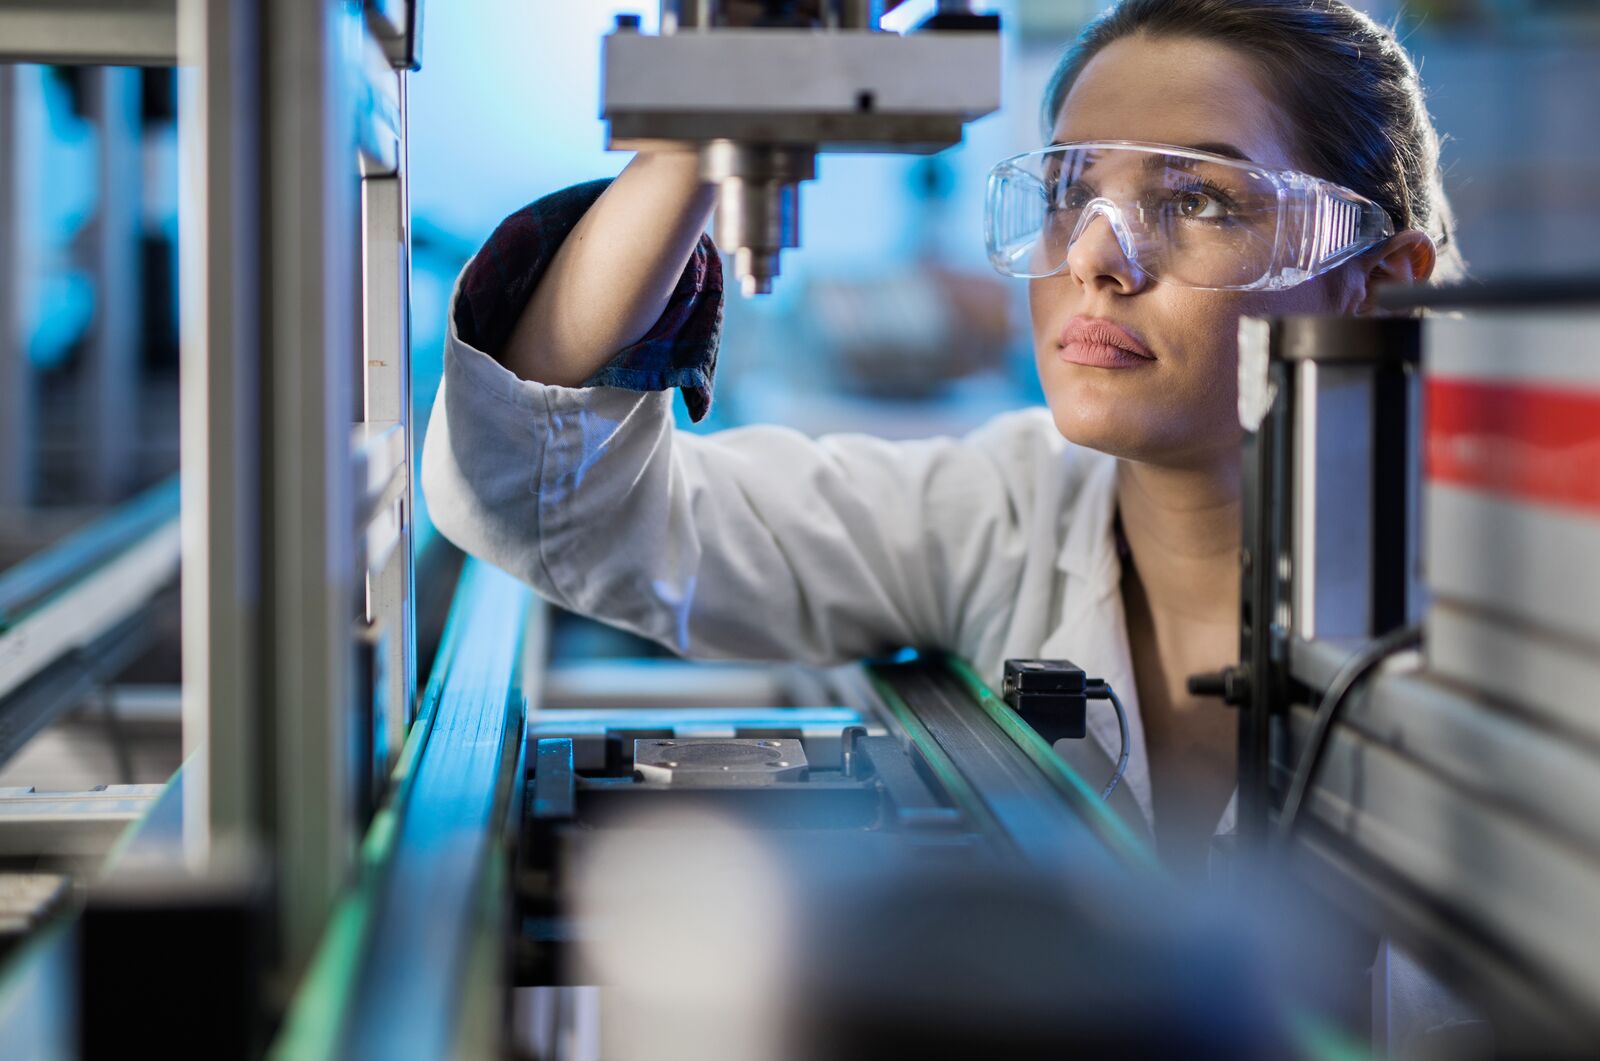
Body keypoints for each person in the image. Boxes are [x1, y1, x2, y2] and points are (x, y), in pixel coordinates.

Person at [421, 0, 1462, 875]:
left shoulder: (1512, 610)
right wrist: (705, 127)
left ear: (1379, 284)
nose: (1095, 258)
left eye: (1197, 199)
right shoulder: (1000, 514)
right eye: (1070, 195)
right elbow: (540, 490)